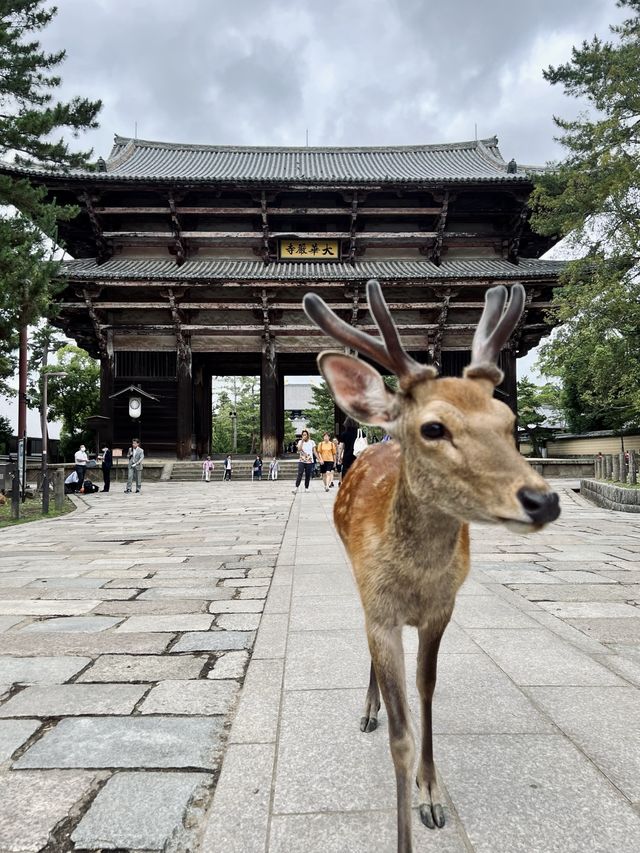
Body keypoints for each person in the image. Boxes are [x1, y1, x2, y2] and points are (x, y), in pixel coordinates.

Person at [292, 429, 317, 493]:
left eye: (305, 435)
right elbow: (299, 449)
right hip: (302, 460)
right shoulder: (300, 441)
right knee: (300, 473)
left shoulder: (312, 442)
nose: (304, 436)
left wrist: (319, 458)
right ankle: (296, 487)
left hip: (309, 461)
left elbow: (314, 451)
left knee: (308, 475)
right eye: (303, 435)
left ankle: (306, 487)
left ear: (308, 435)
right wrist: (302, 441)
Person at [338, 417, 359, 484]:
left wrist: (339, 456)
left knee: (346, 472)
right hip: (357, 456)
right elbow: (365, 444)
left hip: (347, 456)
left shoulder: (344, 434)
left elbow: (341, 446)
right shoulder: (360, 433)